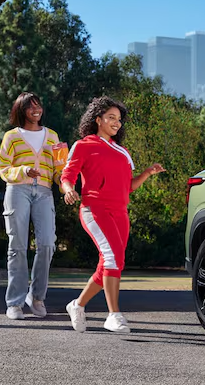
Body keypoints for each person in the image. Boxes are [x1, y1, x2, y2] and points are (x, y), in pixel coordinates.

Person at [59, 97, 166, 333]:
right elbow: (67, 175)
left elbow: (128, 186)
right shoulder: (84, 145)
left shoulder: (122, 151)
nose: (116, 123)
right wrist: (68, 190)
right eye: (111, 118)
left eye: (118, 119)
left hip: (120, 212)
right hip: (94, 210)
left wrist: (148, 172)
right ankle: (113, 314)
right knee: (112, 259)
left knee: (110, 263)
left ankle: (77, 305)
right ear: (98, 120)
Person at [0, 92, 68, 320]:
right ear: (21, 110)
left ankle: (36, 297)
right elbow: (3, 168)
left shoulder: (53, 137)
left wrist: (67, 186)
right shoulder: (11, 136)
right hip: (18, 190)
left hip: (45, 192)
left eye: (38, 106)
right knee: (17, 246)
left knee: (47, 244)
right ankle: (14, 303)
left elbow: (61, 169)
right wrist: (23, 171)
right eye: (31, 107)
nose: (36, 110)